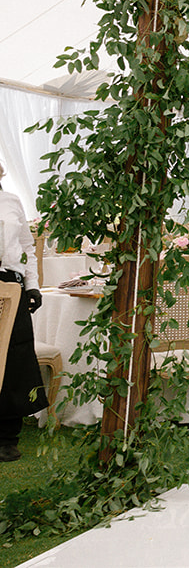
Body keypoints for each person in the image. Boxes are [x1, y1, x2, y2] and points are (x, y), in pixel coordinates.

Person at [0, 161, 44, 462]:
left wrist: (33, 285)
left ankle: (7, 437)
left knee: (14, 359)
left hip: (11, 286)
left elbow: (26, 247)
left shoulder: (11, 201)